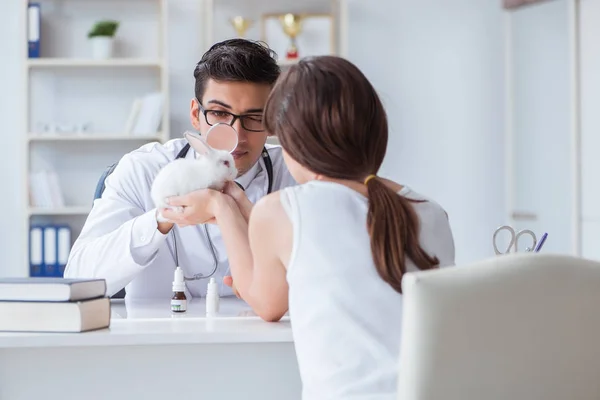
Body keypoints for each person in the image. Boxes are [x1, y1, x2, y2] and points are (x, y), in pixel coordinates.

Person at [161, 56, 455, 398]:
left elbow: (266, 305)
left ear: (293, 143)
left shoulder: (284, 209)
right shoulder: (431, 211)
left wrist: (220, 206)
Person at [64, 39, 296, 298]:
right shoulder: (144, 169)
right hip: (162, 337)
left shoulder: (295, 173)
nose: (237, 135)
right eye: (220, 114)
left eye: (254, 117)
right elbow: (79, 278)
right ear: (196, 115)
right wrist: (162, 218)